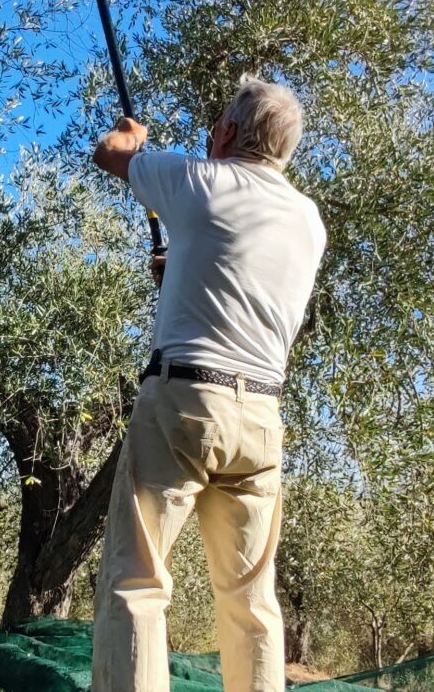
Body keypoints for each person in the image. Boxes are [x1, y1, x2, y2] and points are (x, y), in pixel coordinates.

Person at [90, 74, 326, 692]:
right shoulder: (308, 220)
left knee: (137, 583)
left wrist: (131, 136)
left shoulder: (199, 180)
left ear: (225, 132)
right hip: (262, 419)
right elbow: (247, 288)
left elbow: (111, 155)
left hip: (185, 403)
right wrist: (184, 276)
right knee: (252, 602)